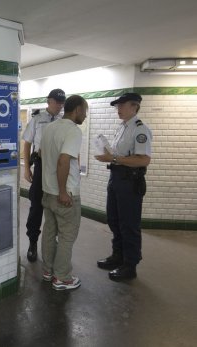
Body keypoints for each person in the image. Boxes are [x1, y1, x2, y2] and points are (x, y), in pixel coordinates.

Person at [95, 93, 152, 281]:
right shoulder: (122, 128)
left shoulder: (139, 129)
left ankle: (130, 264)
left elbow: (143, 159)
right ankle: (118, 256)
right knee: (114, 219)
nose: (118, 109)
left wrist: (112, 158)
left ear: (134, 106)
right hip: (116, 177)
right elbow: (118, 154)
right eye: (117, 106)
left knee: (129, 224)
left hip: (129, 181)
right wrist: (108, 152)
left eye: (121, 105)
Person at [39, 95, 87, 291]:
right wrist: (63, 192)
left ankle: (48, 271)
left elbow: (43, 155)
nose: (85, 115)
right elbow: (63, 161)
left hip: (47, 192)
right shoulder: (73, 131)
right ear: (76, 110)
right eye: (84, 111)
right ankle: (62, 278)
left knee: (49, 232)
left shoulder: (50, 128)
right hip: (64, 194)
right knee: (67, 236)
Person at [22, 88, 66, 262]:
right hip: (41, 166)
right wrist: (27, 168)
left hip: (58, 167)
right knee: (36, 206)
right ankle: (33, 242)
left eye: (62, 102)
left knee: (56, 206)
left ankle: (52, 243)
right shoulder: (37, 119)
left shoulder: (64, 121)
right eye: (57, 102)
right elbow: (27, 144)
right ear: (49, 101)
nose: (60, 105)